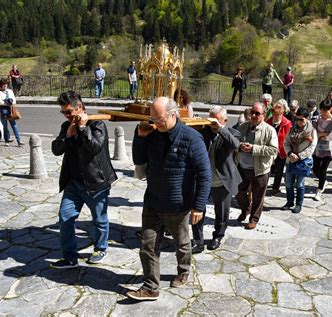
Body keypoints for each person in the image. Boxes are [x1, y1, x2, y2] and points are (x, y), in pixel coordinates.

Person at [128, 97, 211, 301]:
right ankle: (150, 287)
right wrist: (140, 136)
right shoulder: (151, 133)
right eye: (152, 118)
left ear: (174, 114)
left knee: (182, 243)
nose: (155, 123)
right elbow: (139, 160)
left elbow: (204, 174)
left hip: (178, 204)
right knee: (147, 245)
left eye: (159, 119)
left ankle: (183, 271)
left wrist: (199, 206)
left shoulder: (192, 138)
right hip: (153, 200)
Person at [50, 91, 117, 269]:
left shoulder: (97, 124)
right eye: (64, 112)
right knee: (65, 218)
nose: (66, 115)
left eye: (69, 111)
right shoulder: (66, 126)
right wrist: (69, 134)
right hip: (73, 183)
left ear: (79, 107)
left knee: (100, 220)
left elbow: (94, 147)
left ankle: (101, 248)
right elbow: (56, 149)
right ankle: (70, 257)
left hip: (95, 182)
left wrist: (82, 128)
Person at [192, 106, 241, 253]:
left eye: (216, 119)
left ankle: (218, 236)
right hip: (203, 181)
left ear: (225, 120)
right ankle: (198, 240)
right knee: (198, 209)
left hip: (222, 180)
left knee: (222, 212)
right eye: (210, 118)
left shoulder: (232, 133)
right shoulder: (202, 132)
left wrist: (220, 129)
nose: (212, 122)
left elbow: (235, 145)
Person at [236, 102, 278, 230]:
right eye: (252, 113)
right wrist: (240, 146)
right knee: (238, 192)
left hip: (260, 169)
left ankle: (253, 219)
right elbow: (235, 141)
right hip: (242, 167)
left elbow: (273, 150)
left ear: (264, 115)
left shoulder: (269, 130)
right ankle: (245, 209)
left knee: (258, 197)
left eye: (257, 113)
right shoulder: (243, 127)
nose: (253, 115)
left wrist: (254, 148)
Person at [283, 108, 318, 213]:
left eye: (301, 120)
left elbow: (312, 147)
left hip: (303, 161)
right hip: (291, 159)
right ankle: (289, 202)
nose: (299, 122)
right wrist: (290, 153)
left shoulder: (312, 131)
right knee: (288, 183)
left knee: (299, 184)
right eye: (297, 119)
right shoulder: (292, 129)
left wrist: (299, 156)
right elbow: (286, 143)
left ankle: (299, 204)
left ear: (307, 119)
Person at [312, 102, 332, 201]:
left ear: (330, 109)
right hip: (317, 147)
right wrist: (320, 134)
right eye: (322, 109)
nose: (323, 112)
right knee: (315, 168)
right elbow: (313, 132)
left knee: (323, 169)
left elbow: (329, 135)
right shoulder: (316, 118)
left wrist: (320, 134)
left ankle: (319, 190)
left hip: (328, 148)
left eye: (325, 110)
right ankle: (323, 181)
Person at [267, 99, 292, 195]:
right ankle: (264, 185)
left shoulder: (287, 123)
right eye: (274, 114)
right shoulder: (268, 122)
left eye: (278, 114)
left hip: (281, 150)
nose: (276, 117)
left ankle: (275, 187)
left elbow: (289, 138)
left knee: (279, 170)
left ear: (282, 113)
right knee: (268, 168)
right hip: (269, 150)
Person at [0, 79, 24, 146]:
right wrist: (7, 102)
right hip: (3, 111)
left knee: (14, 126)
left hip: (11, 110)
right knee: (5, 127)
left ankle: (19, 140)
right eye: (3, 85)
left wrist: (9, 102)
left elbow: (14, 101)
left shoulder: (10, 91)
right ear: (1, 85)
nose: (5, 86)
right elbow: (0, 102)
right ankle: (7, 141)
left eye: (6, 85)